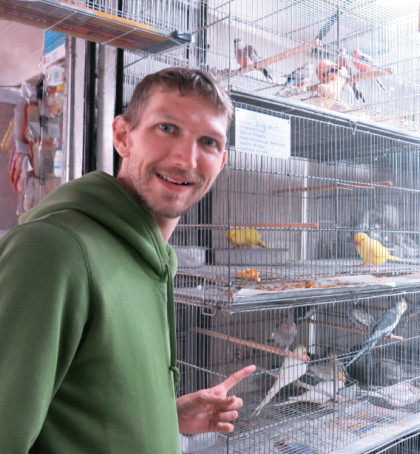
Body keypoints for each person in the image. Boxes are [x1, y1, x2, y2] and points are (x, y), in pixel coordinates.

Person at [0, 68, 255, 453]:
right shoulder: (54, 250)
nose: (186, 160)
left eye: (208, 142)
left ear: (220, 163)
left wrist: (164, 415)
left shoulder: (154, 259)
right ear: (122, 136)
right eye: (167, 128)